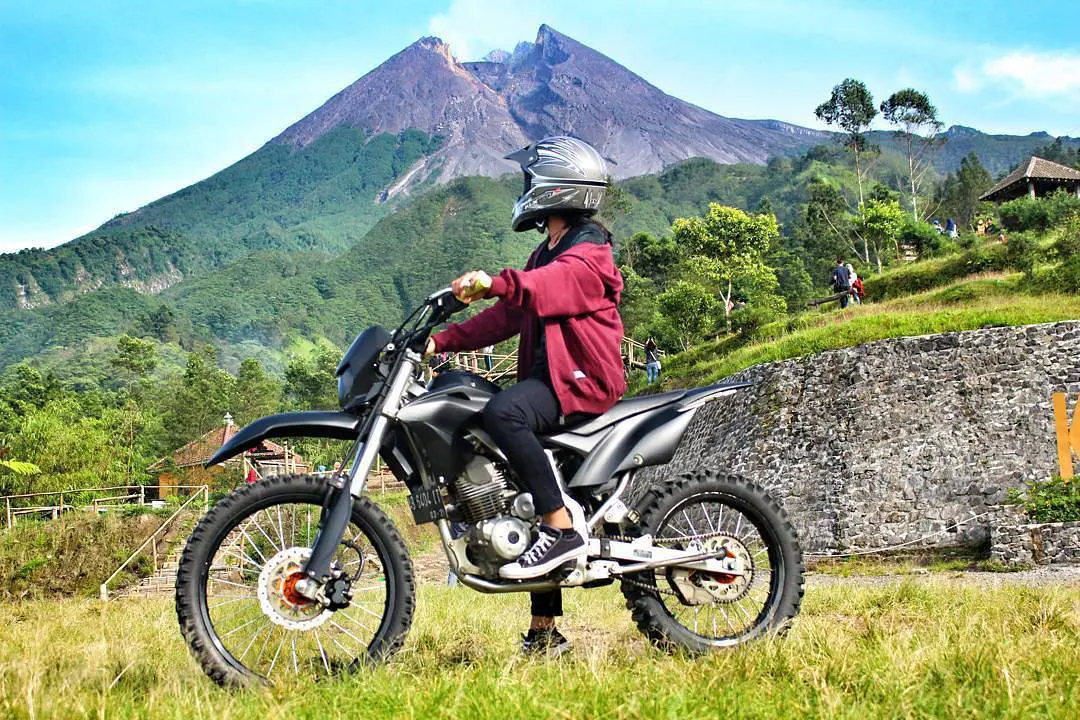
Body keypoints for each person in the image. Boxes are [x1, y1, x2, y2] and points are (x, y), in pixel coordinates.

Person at [427, 136, 625, 656]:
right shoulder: (549, 250)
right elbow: (509, 316)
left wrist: (494, 281)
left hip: (582, 380)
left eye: (531, 179)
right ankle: (544, 633)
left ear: (556, 186)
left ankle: (561, 528)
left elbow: (546, 289)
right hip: (552, 381)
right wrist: (439, 341)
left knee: (503, 412)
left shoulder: (589, 253)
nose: (526, 188)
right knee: (521, 483)